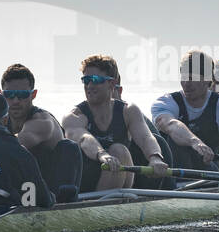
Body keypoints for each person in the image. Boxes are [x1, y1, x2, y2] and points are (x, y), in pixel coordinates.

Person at [62, 54, 169, 191]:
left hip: (122, 172)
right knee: (116, 152)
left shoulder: (128, 111)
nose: (89, 85)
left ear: (111, 83)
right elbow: (83, 138)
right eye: (86, 80)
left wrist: (155, 158)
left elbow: (145, 137)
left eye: (95, 80)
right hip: (88, 181)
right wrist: (102, 154)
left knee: (119, 150)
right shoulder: (74, 116)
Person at [152, 50, 219, 171]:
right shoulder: (165, 102)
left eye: (193, 78)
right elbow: (171, 124)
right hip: (169, 171)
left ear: (208, 80)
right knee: (176, 140)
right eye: (184, 77)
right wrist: (194, 142)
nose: (186, 83)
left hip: (205, 169)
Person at [0, 63, 82, 202]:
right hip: (27, 189)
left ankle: (63, 204)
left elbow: (15, 143)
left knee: (69, 147)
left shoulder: (42, 122)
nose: (15, 101)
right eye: (9, 94)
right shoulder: (0, 121)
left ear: (33, 94)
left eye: (22, 95)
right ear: (1, 94)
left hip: (54, 190)